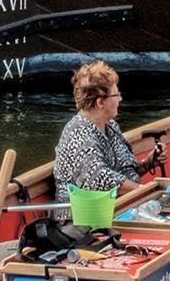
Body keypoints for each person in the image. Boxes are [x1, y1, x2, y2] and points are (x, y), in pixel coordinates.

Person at [53, 61, 144, 197]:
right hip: (81, 214)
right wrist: (146, 190)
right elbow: (99, 178)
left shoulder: (111, 126)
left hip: (115, 206)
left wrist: (148, 163)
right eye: (116, 95)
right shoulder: (78, 134)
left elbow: (123, 170)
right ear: (100, 102)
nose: (120, 98)